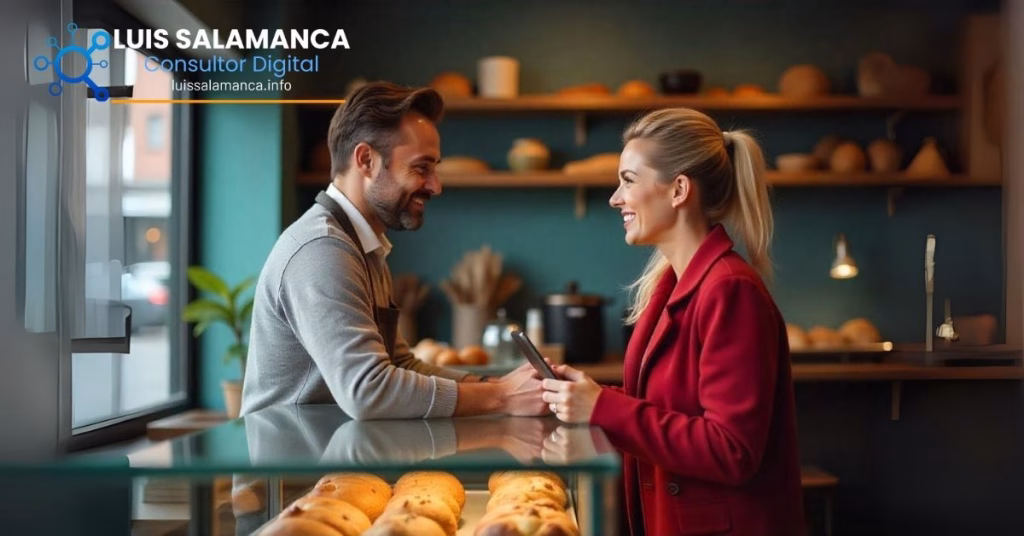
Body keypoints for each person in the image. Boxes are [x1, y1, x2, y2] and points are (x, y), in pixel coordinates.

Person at [540, 108, 805, 535]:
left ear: (679, 189)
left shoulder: (730, 289)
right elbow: (672, 407)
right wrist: (591, 399)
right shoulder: (671, 285)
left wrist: (604, 408)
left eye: (628, 180)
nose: (615, 198)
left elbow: (731, 450)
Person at [241, 82, 547, 420]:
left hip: (327, 465)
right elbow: (368, 391)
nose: (436, 185)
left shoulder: (362, 246)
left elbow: (401, 364)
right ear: (366, 160)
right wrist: (501, 397)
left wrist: (496, 383)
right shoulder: (322, 250)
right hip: (292, 470)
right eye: (421, 167)